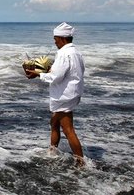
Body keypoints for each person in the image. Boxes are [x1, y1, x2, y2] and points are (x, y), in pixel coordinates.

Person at [25, 22, 86, 167]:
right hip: (72, 93)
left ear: (63, 38)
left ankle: (81, 163)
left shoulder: (64, 54)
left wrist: (37, 74)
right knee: (54, 123)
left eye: (55, 38)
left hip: (63, 95)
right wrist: (48, 70)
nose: (54, 41)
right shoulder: (76, 52)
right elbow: (70, 71)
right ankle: (52, 152)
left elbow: (56, 77)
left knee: (68, 129)